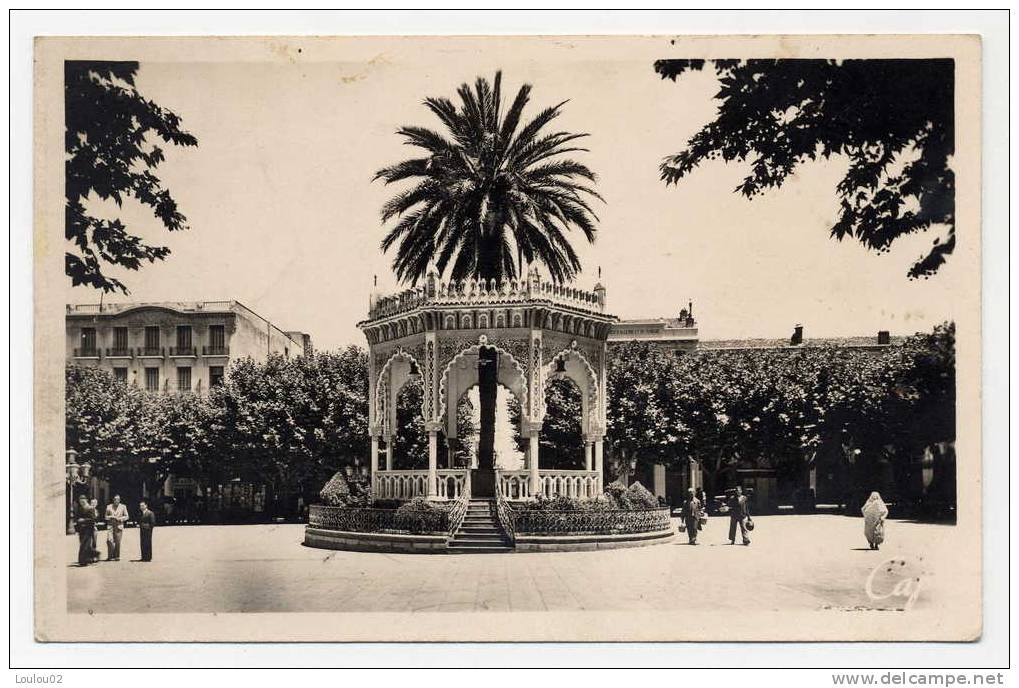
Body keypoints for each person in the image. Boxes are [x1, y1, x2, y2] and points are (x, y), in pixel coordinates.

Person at [74, 495, 97, 566]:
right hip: (81, 530)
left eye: (83, 501)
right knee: (83, 544)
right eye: (80, 501)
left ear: (86, 500)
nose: (81, 502)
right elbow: (77, 518)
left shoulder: (90, 508)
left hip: (88, 530)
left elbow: (93, 519)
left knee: (86, 545)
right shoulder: (80, 509)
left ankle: (83, 561)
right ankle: (86, 559)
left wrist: (83, 520)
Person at [104, 495, 129, 561]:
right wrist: (111, 516)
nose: (116, 501)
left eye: (118, 499)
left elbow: (127, 516)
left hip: (119, 526)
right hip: (111, 526)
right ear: (113, 500)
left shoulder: (123, 506)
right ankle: (110, 555)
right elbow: (105, 517)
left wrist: (120, 518)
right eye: (115, 499)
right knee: (109, 540)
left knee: (117, 541)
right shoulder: (109, 506)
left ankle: (117, 556)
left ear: (119, 500)